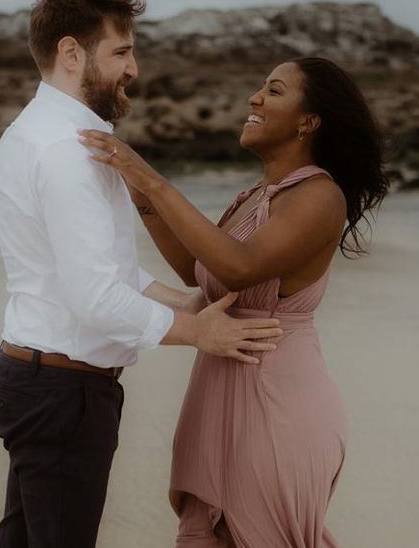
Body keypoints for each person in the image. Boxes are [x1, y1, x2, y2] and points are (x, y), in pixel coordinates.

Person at [0, 0, 282, 548]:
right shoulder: (70, 151)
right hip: (62, 393)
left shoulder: (37, 132)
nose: (133, 69)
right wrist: (199, 333)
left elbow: (101, 274)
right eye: (121, 51)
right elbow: (96, 298)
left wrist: (187, 300)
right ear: (71, 53)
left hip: (39, 378)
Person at [78, 56, 389, 547]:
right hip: (221, 391)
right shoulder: (256, 196)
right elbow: (201, 271)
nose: (255, 98)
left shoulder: (320, 197)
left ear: (309, 121)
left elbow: (239, 266)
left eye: (274, 90)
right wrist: (140, 193)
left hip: (275, 405)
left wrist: (153, 177)